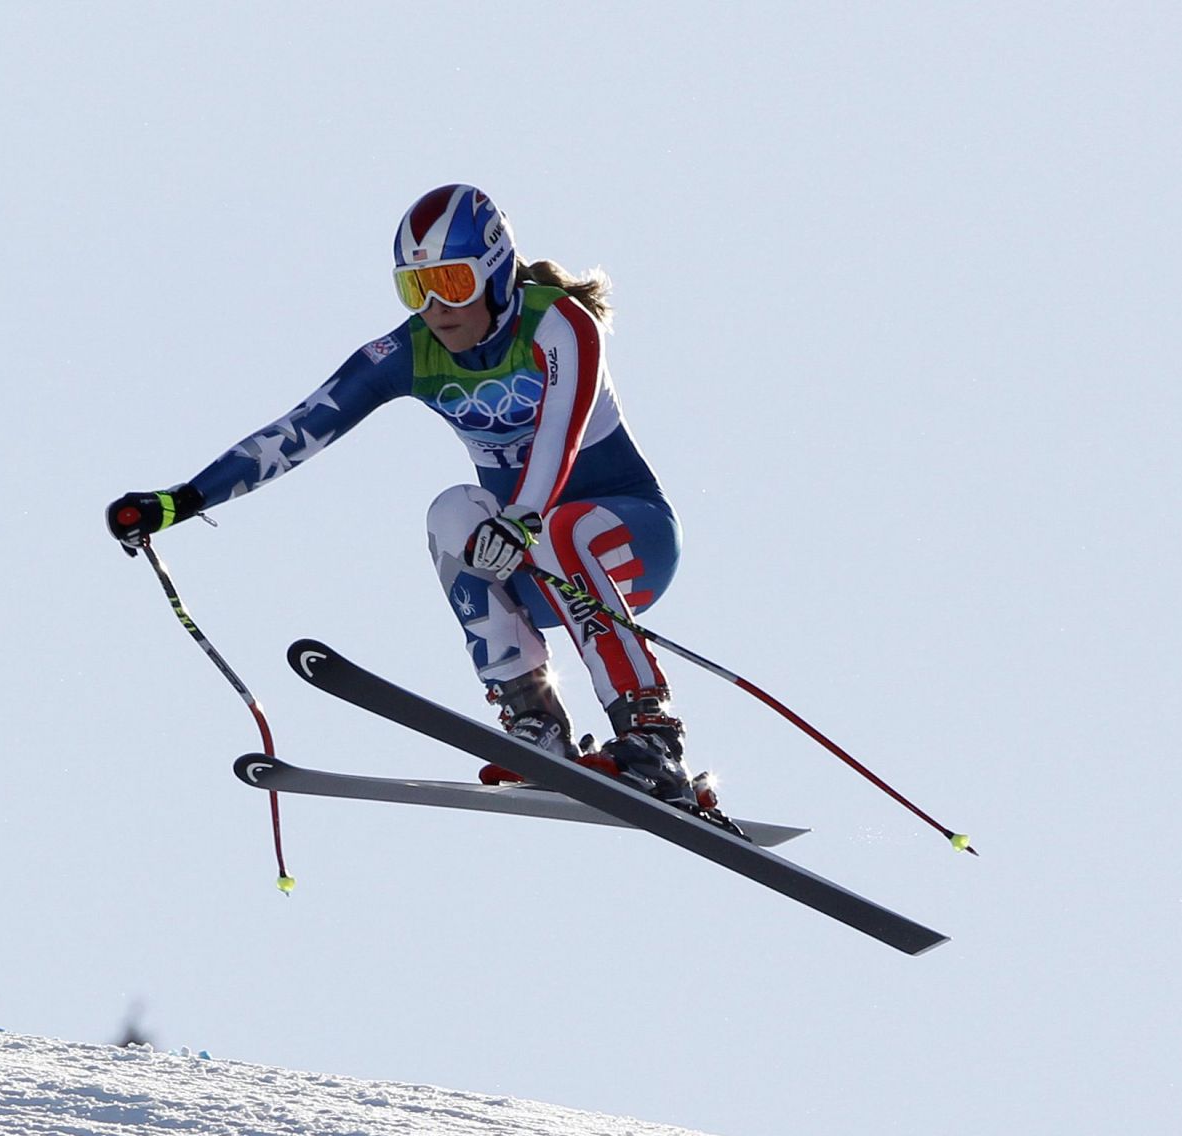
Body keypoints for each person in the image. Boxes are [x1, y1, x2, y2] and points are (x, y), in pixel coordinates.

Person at [109, 183, 728, 822]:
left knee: (563, 527)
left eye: (453, 283)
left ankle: (651, 738)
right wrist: (181, 501)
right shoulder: (411, 352)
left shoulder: (560, 324)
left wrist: (522, 516)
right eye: (416, 287)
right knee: (452, 513)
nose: (435, 306)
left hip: (628, 535)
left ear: (494, 271)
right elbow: (297, 430)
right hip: (531, 561)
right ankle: (533, 721)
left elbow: (560, 436)